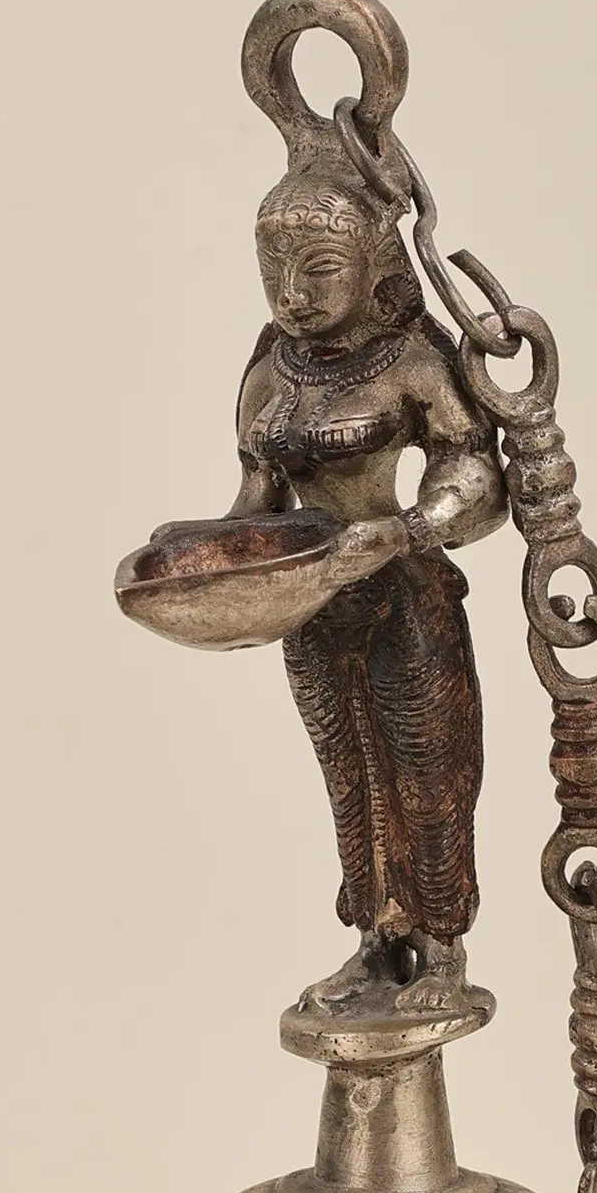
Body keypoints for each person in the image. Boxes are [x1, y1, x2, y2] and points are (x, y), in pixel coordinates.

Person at [228, 161, 506, 1014]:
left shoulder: (412, 361)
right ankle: (376, 942)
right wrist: (215, 551)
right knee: (349, 776)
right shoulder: (271, 372)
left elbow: (476, 478)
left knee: (428, 775)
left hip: (404, 597)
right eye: (275, 272)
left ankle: (444, 946)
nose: (293, 294)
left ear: (374, 267)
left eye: (319, 270)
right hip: (312, 606)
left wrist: (409, 529)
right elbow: (258, 499)